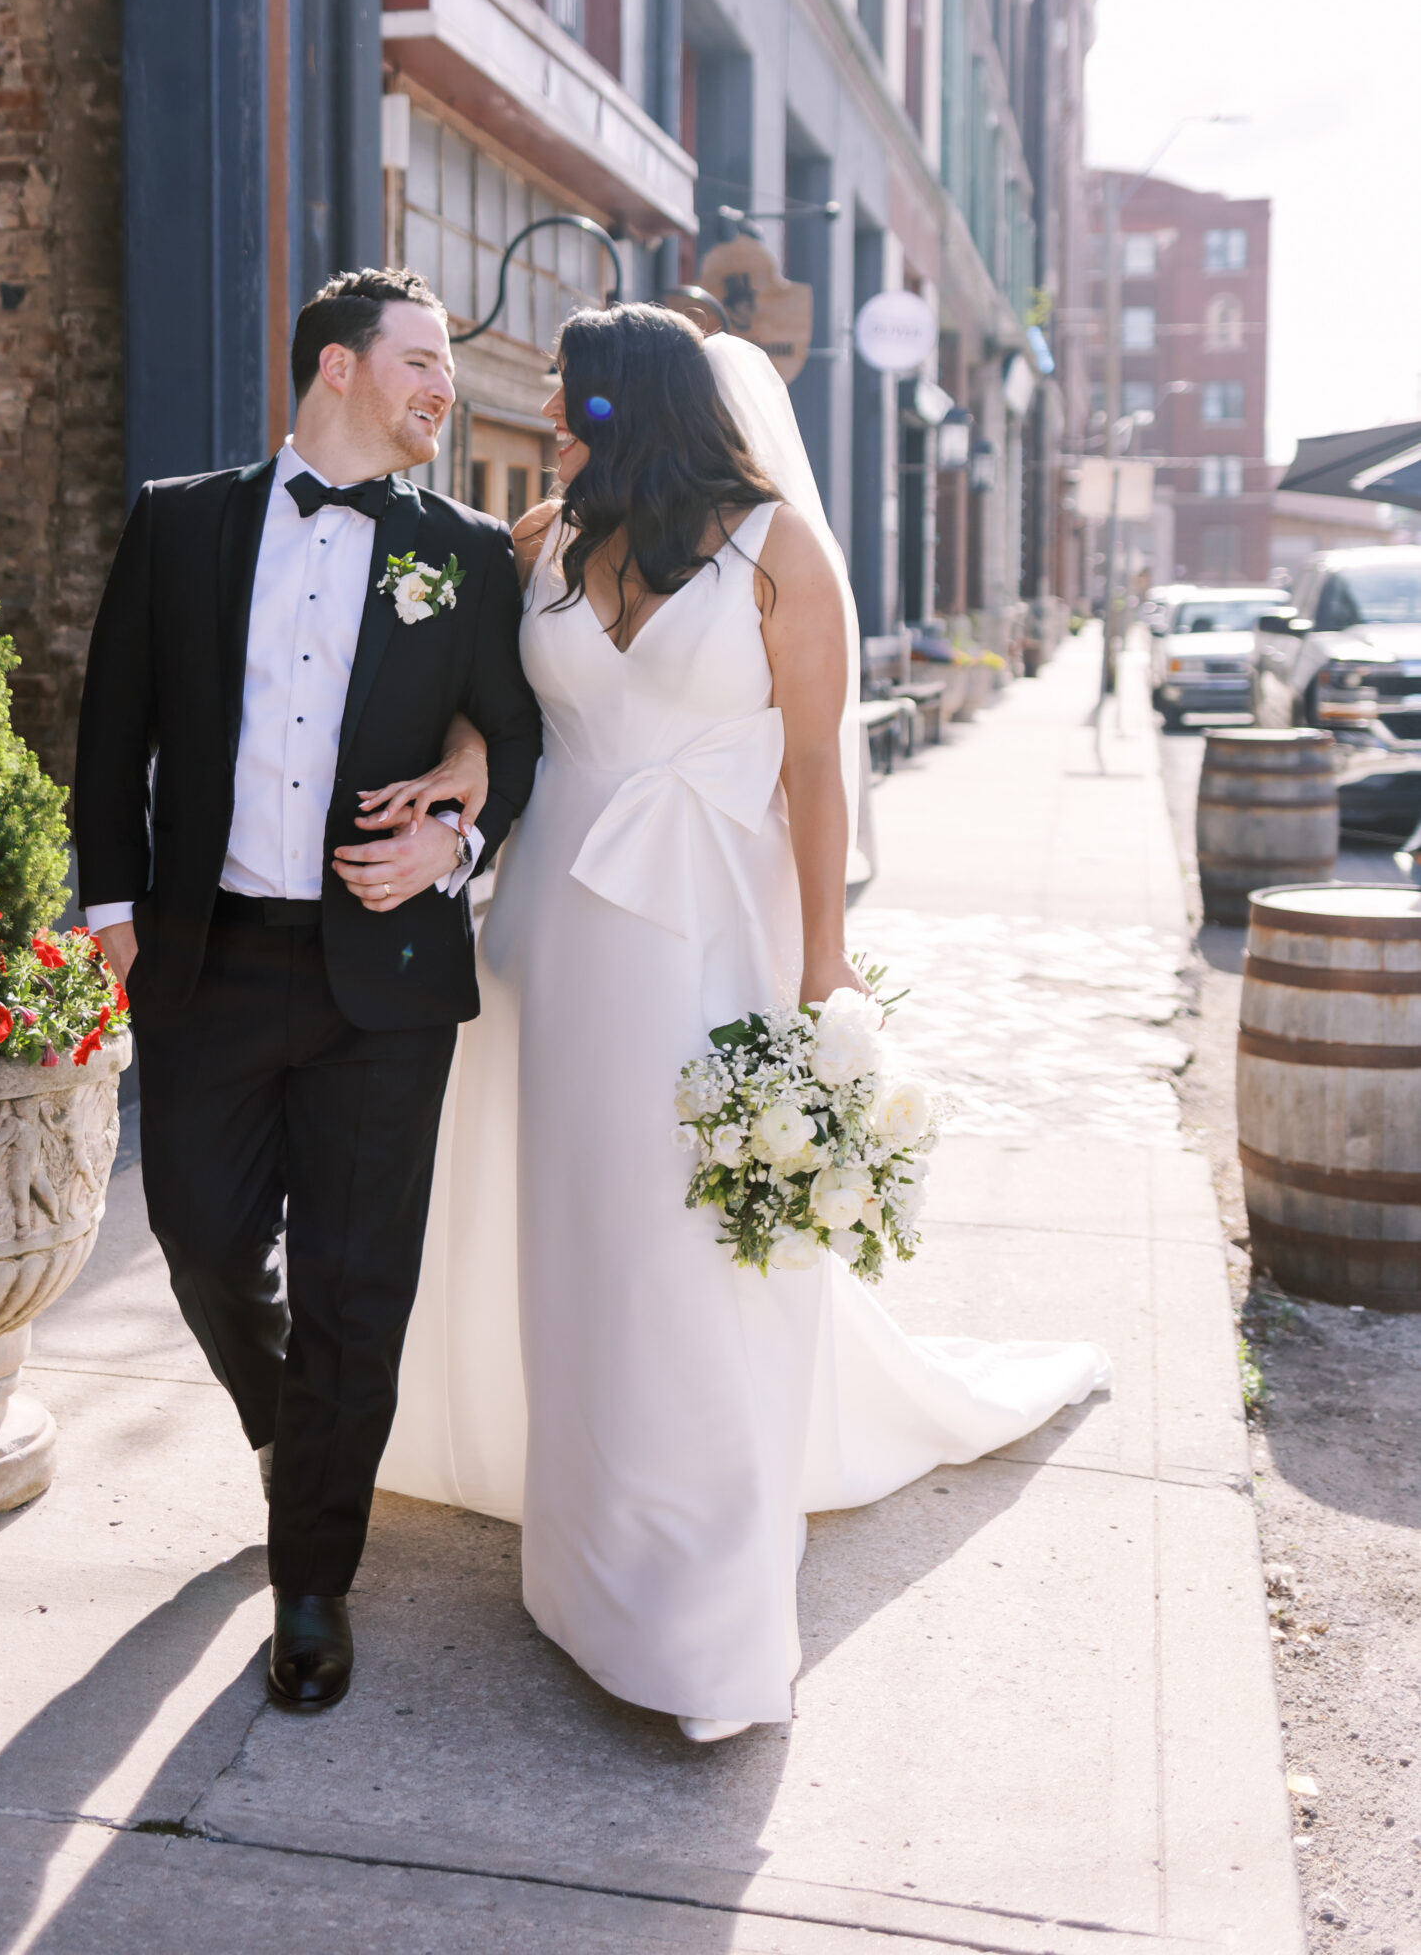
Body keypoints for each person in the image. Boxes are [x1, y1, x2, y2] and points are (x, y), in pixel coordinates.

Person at [372, 305, 1108, 1742]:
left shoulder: (781, 551)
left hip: (713, 926)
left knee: (698, 1243)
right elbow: (504, 718)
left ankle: (701, 1615)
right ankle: (578, 1553)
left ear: (638, 399)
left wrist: (826, 961)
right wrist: (460, 766)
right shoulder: (542, 545)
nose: (564, 412)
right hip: (552, 934)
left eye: (583, 394)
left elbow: (820, 771)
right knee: (579, 1233)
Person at [74, 269, 542, 1715]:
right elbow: (112, 726)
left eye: (446, 371)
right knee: (201, 1238)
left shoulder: (463, 554)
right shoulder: (182, 522)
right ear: (334, 368)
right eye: (419, 362)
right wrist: (110, 907)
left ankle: (312, 1579)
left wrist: (453, 839)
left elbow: (519, 743)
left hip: (381, 980)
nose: (441, 390)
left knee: (358, 1281)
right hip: (207, 958)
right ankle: (292, 1428)